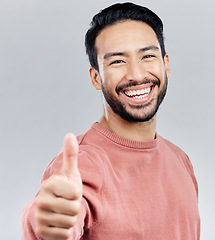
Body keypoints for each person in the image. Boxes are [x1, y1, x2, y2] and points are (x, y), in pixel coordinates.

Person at [21, 2, 200, 240]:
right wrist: (47, 223)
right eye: (117, 61)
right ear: (96, 77)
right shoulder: (84, 163)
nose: (137, 75)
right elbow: (55, 217)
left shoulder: (181, 160)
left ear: (166, 64)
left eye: (147, 56)